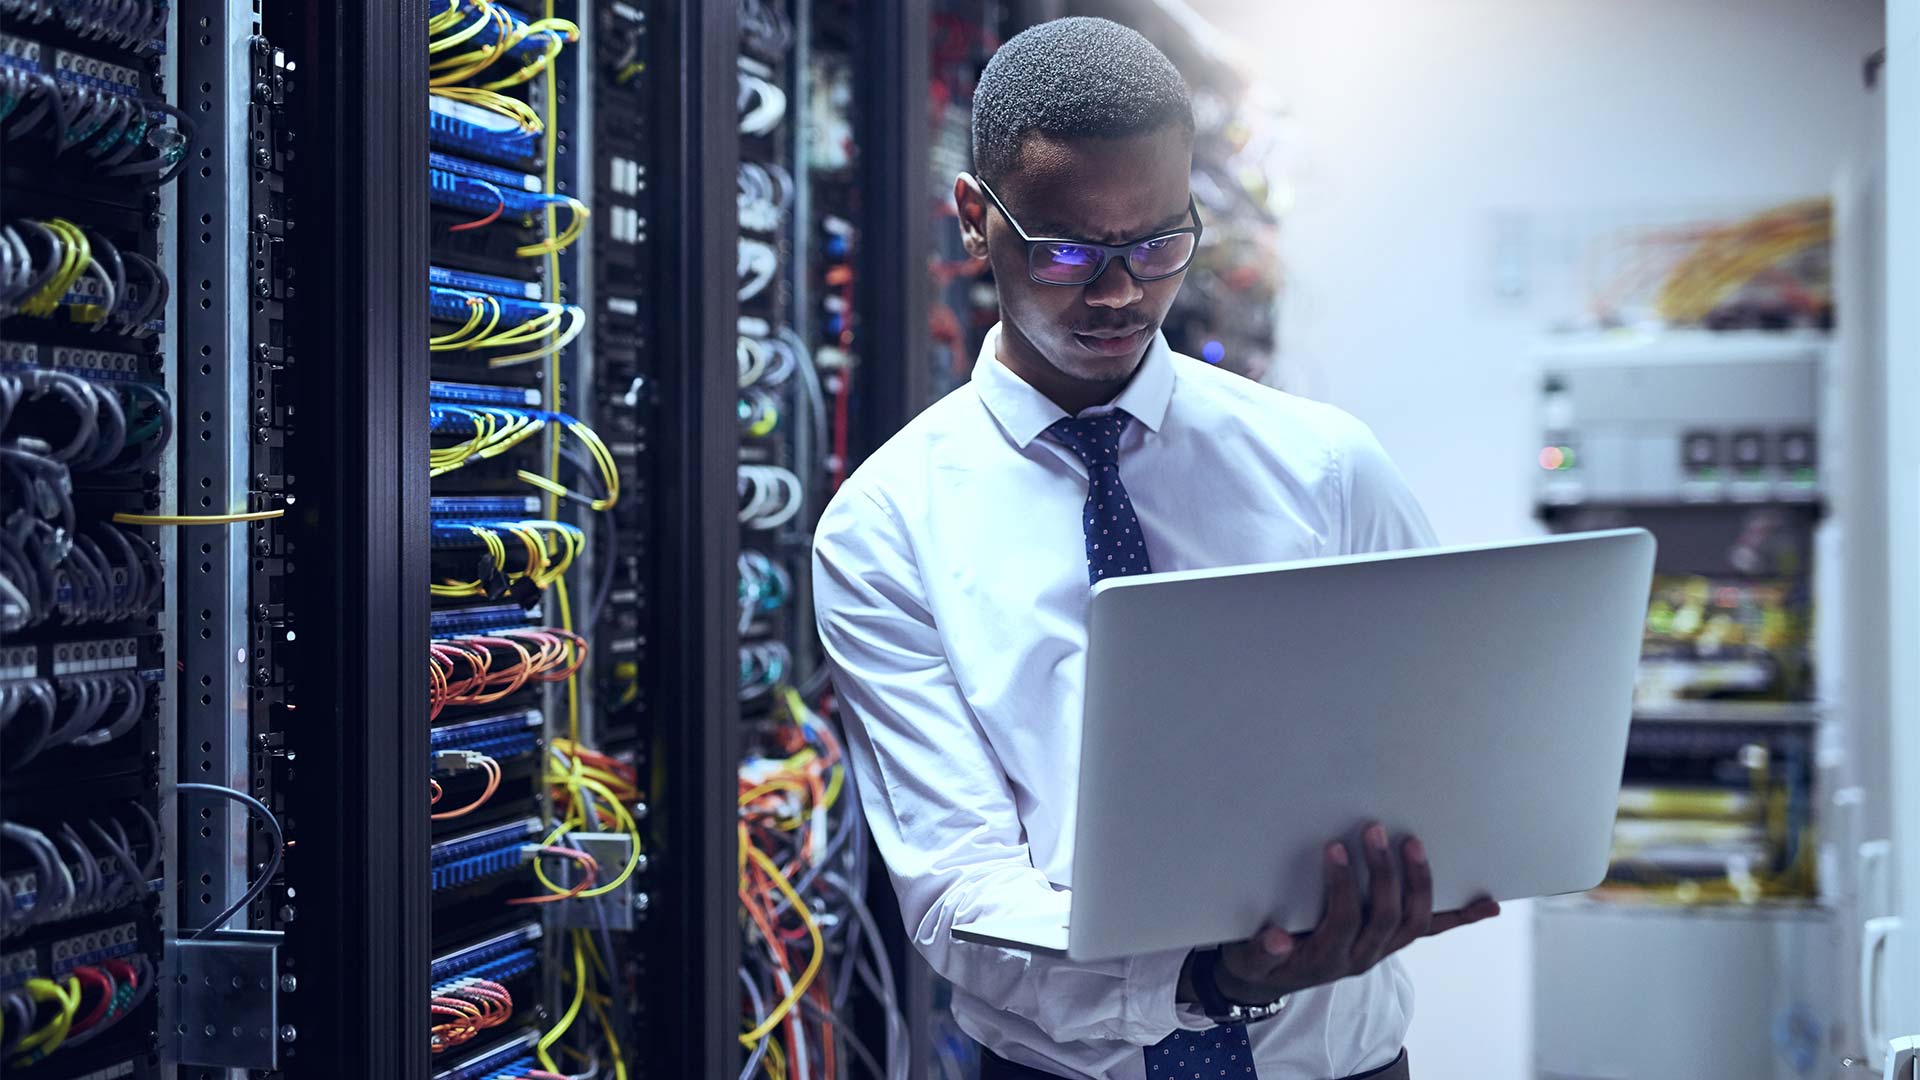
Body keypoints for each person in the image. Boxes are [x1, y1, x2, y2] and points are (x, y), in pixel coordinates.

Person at [811, 17, 1499, 1080]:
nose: (1121, 291)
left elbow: (1455, 735)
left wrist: (1426, 856)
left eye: (1157, 244)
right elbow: (959, 892)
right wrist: (1204, 980)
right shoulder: (888, 527)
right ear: (972, 219)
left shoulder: (1326, 467)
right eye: (1068, 250)